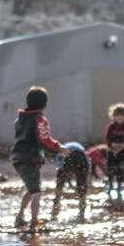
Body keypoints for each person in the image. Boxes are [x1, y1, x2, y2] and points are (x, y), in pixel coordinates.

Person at [10, 86, 69, 230]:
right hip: (30, 159)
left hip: (17, 158)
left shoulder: (20, 119)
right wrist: (58, 147)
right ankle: (34, 223)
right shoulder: (40, 119)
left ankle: (20, 217)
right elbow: (44, 138)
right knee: (36, 192)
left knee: (31, 189)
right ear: (45, 104)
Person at [51, 142, 91, 221]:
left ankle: (56, 202)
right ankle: (82, 206)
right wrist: (87, 178)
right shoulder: (82, 150)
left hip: (68, 156)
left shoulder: (63, 149)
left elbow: (60, 166)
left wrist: (63, 176)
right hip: (81, 158)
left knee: (60, 183)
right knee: (82, 186)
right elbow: (88, 164)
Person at [104, 103, 124, 200]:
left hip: (123, 154)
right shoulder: (111, 127)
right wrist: (112, 145)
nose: (120, 118)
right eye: (117, 116)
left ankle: (119, 188)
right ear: (113, 116)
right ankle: (110, 186)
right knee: (110, 170)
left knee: (120, 171)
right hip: (111, 153)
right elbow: (107, 138)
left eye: (122, 116)